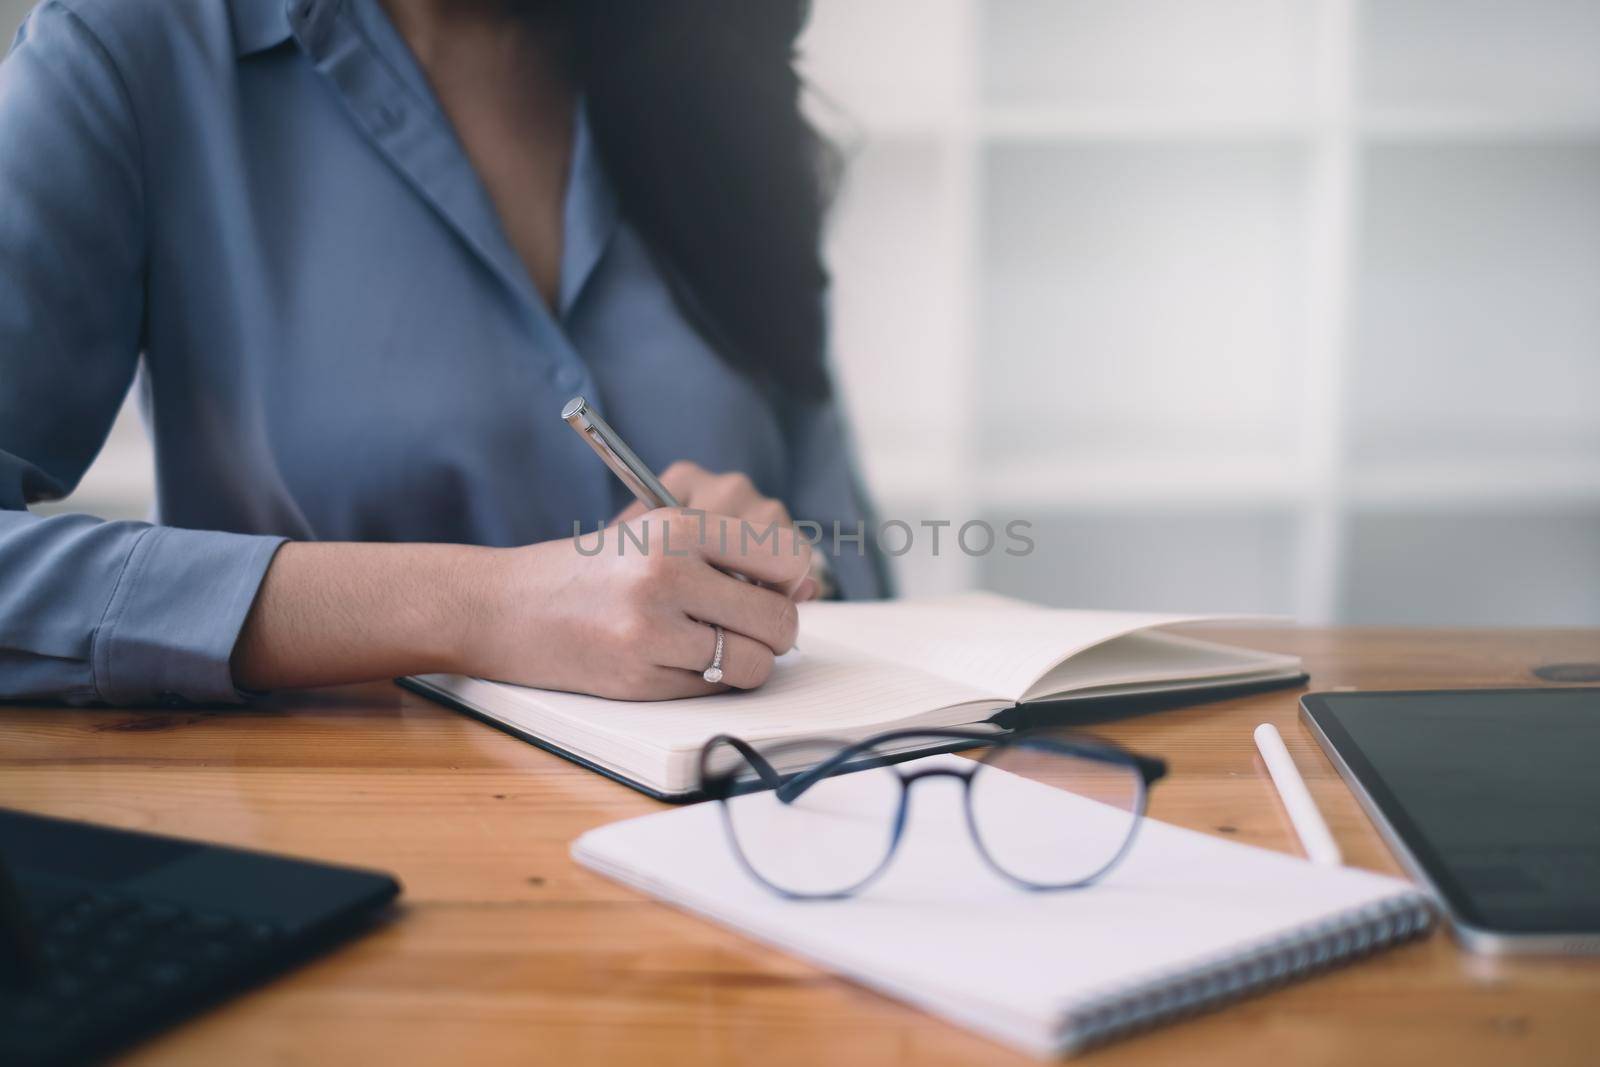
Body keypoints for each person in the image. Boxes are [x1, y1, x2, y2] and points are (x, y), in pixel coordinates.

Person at [0, 0, 885, 706]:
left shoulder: (720, 72)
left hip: (730, 856)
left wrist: (788, 574)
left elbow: (864, 574)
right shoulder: (126, 50)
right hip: (333, 849)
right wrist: (481, 608)